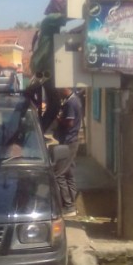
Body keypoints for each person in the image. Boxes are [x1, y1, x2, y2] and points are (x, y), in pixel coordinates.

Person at [30, 0, 69, 133]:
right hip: (44, 65)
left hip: (43, 65)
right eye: (64, 5)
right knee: (54, 105)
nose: (65, 7)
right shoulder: (52, 18)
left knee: (50, 103)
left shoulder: (50, 21)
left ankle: (36, 129)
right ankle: (37, 131)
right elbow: (70, 19)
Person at [53, 87, 83, 217]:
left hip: (69, 142)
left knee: (58, 174)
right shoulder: (73, 100)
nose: (58, 92)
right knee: (68, 174)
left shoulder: (71, 102)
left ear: (65, 88)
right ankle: (72, 205)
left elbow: (70, 122)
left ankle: (69, 206)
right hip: (70, 141)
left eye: (59, 90)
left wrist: (59, 119)